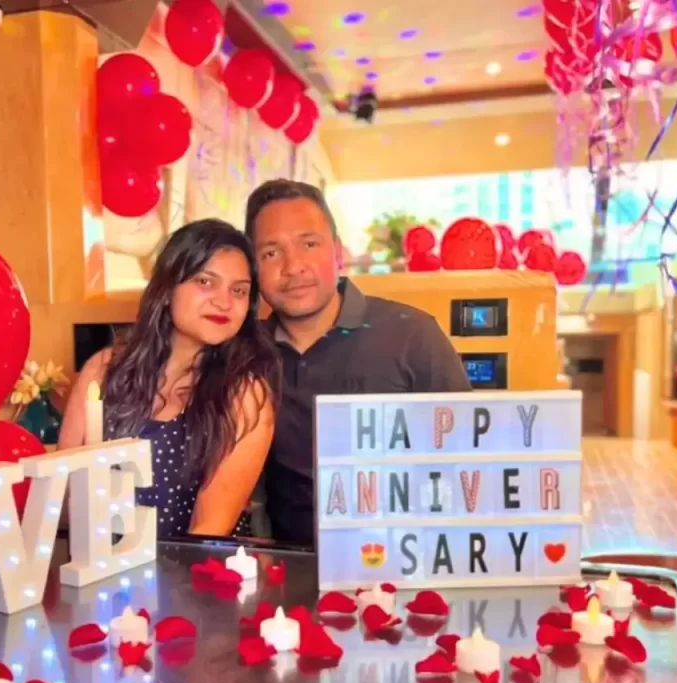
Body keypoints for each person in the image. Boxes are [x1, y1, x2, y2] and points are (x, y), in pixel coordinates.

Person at [245, 179, 472, 547]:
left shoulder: (412, 334)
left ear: (337, 252)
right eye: (271, 253)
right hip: (289, 567)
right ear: (254, 268)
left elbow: (470, 459)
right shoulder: (244, 351)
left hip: (407, 559)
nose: (293, 266)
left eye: (309, 243)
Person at [58, 218, 279, 538]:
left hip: (191, 576)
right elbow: (63, 500)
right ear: (167, 287)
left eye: (239, 290)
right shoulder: (104, 370)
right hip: (96, 569)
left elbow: (209, 530)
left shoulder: (243, 394)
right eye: (205, 282)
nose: (224, 301)